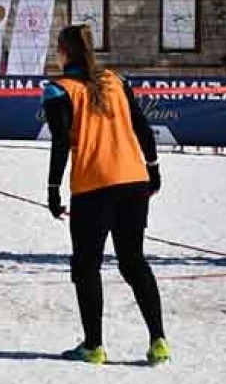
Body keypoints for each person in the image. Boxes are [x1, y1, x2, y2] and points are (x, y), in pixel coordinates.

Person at [42, 24, 170, 366]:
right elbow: (142, 127)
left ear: (64, 52)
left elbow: (59, 143)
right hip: (133, 180)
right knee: (133, 261)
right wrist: (153, 169)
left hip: (93, 185)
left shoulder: (58, 90)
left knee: (86, 266)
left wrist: (53, 190)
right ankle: (159, 341)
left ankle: (94, 346)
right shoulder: (116, 80)